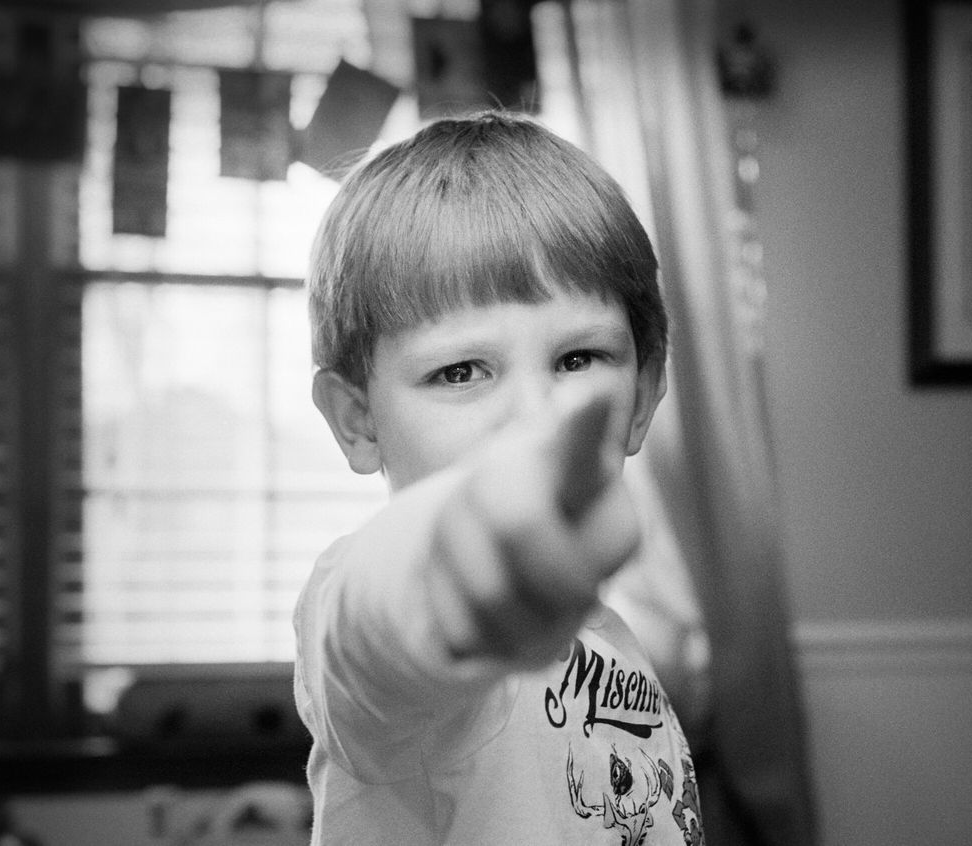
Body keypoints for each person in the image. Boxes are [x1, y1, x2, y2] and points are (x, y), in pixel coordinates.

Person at [296, 110, 704, 845]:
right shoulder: (373, 595)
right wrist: (452, 559)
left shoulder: (605, 637)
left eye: (578, 359)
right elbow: (370, 636)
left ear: (642, 396)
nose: (534, 418)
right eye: (459, 371)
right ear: (358, 420)